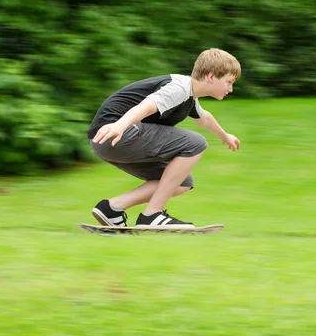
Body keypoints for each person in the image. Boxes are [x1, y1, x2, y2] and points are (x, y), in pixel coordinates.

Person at [88, 48, 241, 228]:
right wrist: (119, 126)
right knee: (195, 143)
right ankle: (152, 215)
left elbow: (204, 117)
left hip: (106, 141)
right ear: (211, 76)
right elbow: (146, 107)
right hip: (116, 133)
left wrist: (225, 136)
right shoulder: (179, 87)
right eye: (229, 82)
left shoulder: (189, 96)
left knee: (182, 182)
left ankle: (113, 208)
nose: (230, 89)